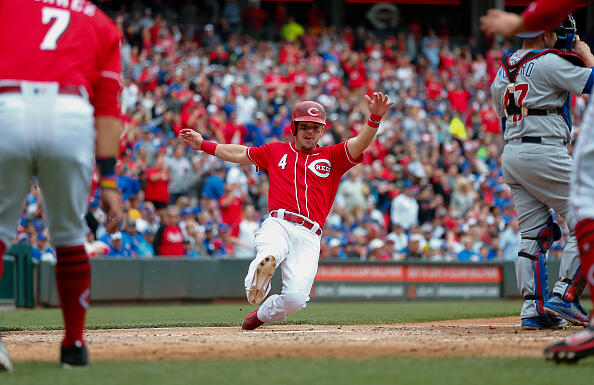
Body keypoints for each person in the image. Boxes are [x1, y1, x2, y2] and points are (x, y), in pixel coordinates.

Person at [181, 92, 393, 330]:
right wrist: (204, 145)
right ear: (294, 127)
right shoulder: (275, 151)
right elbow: (241, 153)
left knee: (295, 300)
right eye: (304, 126)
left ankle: (262, 313)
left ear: (322, 131)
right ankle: (258, 282)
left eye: (315, 127)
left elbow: (360, 142)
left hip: (310, 234)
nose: (310, 131)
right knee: (268, 252)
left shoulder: (332, 156)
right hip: (279, 222)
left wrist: (374, 117)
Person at [0, 0, 123, 370]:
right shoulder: (101, 23)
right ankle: (73, 346)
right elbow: (108, 110)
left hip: (8, 105)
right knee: (69, 236)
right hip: (70, 114)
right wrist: (110, 181)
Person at [483, 0, 594, 363]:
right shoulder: (549, 60)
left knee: (534, 234)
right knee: (585, 222)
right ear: (546, 34)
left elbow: (502, 116)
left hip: (512, 152)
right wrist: (586, 55)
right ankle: (565, 293)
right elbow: (591, 83)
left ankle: (533, 308)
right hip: (545, 150)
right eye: (559, 35)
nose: (563, 40)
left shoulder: (503, 70)